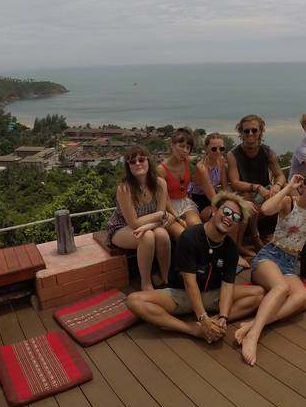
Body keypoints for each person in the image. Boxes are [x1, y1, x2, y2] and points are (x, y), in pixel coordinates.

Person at [234, 169, 306, 366]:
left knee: (301, 296)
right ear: (302, 184)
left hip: (290, 263)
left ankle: (252, 324)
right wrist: (288, 187)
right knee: (282, 288)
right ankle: (253, 336)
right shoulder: (289, 202)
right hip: (270, 256)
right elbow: (266, 209)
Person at [126, 193, 264, 341]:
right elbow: (189, 283)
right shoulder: (190, 237)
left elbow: (227, 286)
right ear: (214, 211)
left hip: (212, 294)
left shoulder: (231, 248)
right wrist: (202, 317)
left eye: (236, 217)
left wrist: (223, 316)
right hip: (181, 294)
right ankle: (191, 328)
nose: (230, 218)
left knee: (259, 293)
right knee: (134, 301)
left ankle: (215, 322)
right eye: (227, 211)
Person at [104, 145, 173, 291]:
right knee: (147, 237)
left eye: (141, 159)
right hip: (121, 226)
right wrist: (161, 214)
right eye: (132, 161)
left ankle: (165, 277)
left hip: (150, 224)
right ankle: (145, 283)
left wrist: (148, 225)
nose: (137, 164)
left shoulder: (160, 184)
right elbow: (135, 223)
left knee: (162, 234)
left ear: (148, 161)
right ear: (128, 165)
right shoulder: (125, 189)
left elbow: (159, 218)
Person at [227, 114, 287, 253]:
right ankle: (254, 237)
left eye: (254, 130)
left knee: (290, 191)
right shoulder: (233, 154)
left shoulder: (267, 151)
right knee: (247, 196)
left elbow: (280, 176)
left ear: (260, 132)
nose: (250, 133)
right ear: (241, 133)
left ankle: (290, 233)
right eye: (246, 131)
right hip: (246, 191)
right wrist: (257, 188)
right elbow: (235, 183)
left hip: (265, 189)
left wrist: (277, 186)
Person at [156, 128, 202, 231]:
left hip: (184, 202)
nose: (185, 151)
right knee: (183, 234)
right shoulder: (161, 169)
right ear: (172, 145)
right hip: (168, 207)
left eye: (188, 148)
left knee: (197, 227)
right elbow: (164, 198)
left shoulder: (187, 160)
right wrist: (178, 218)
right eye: (181, 146)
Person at [189, 132, 231, 222]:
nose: (218, 152)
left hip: (214, 197)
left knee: (237, 212)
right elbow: (213, 199)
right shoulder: (202, 168)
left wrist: (237, 201)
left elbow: (225, 186)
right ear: (205, 148)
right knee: (225, 215)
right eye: (214, 149)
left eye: (221, 148)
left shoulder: (221, 160)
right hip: (200, 201)